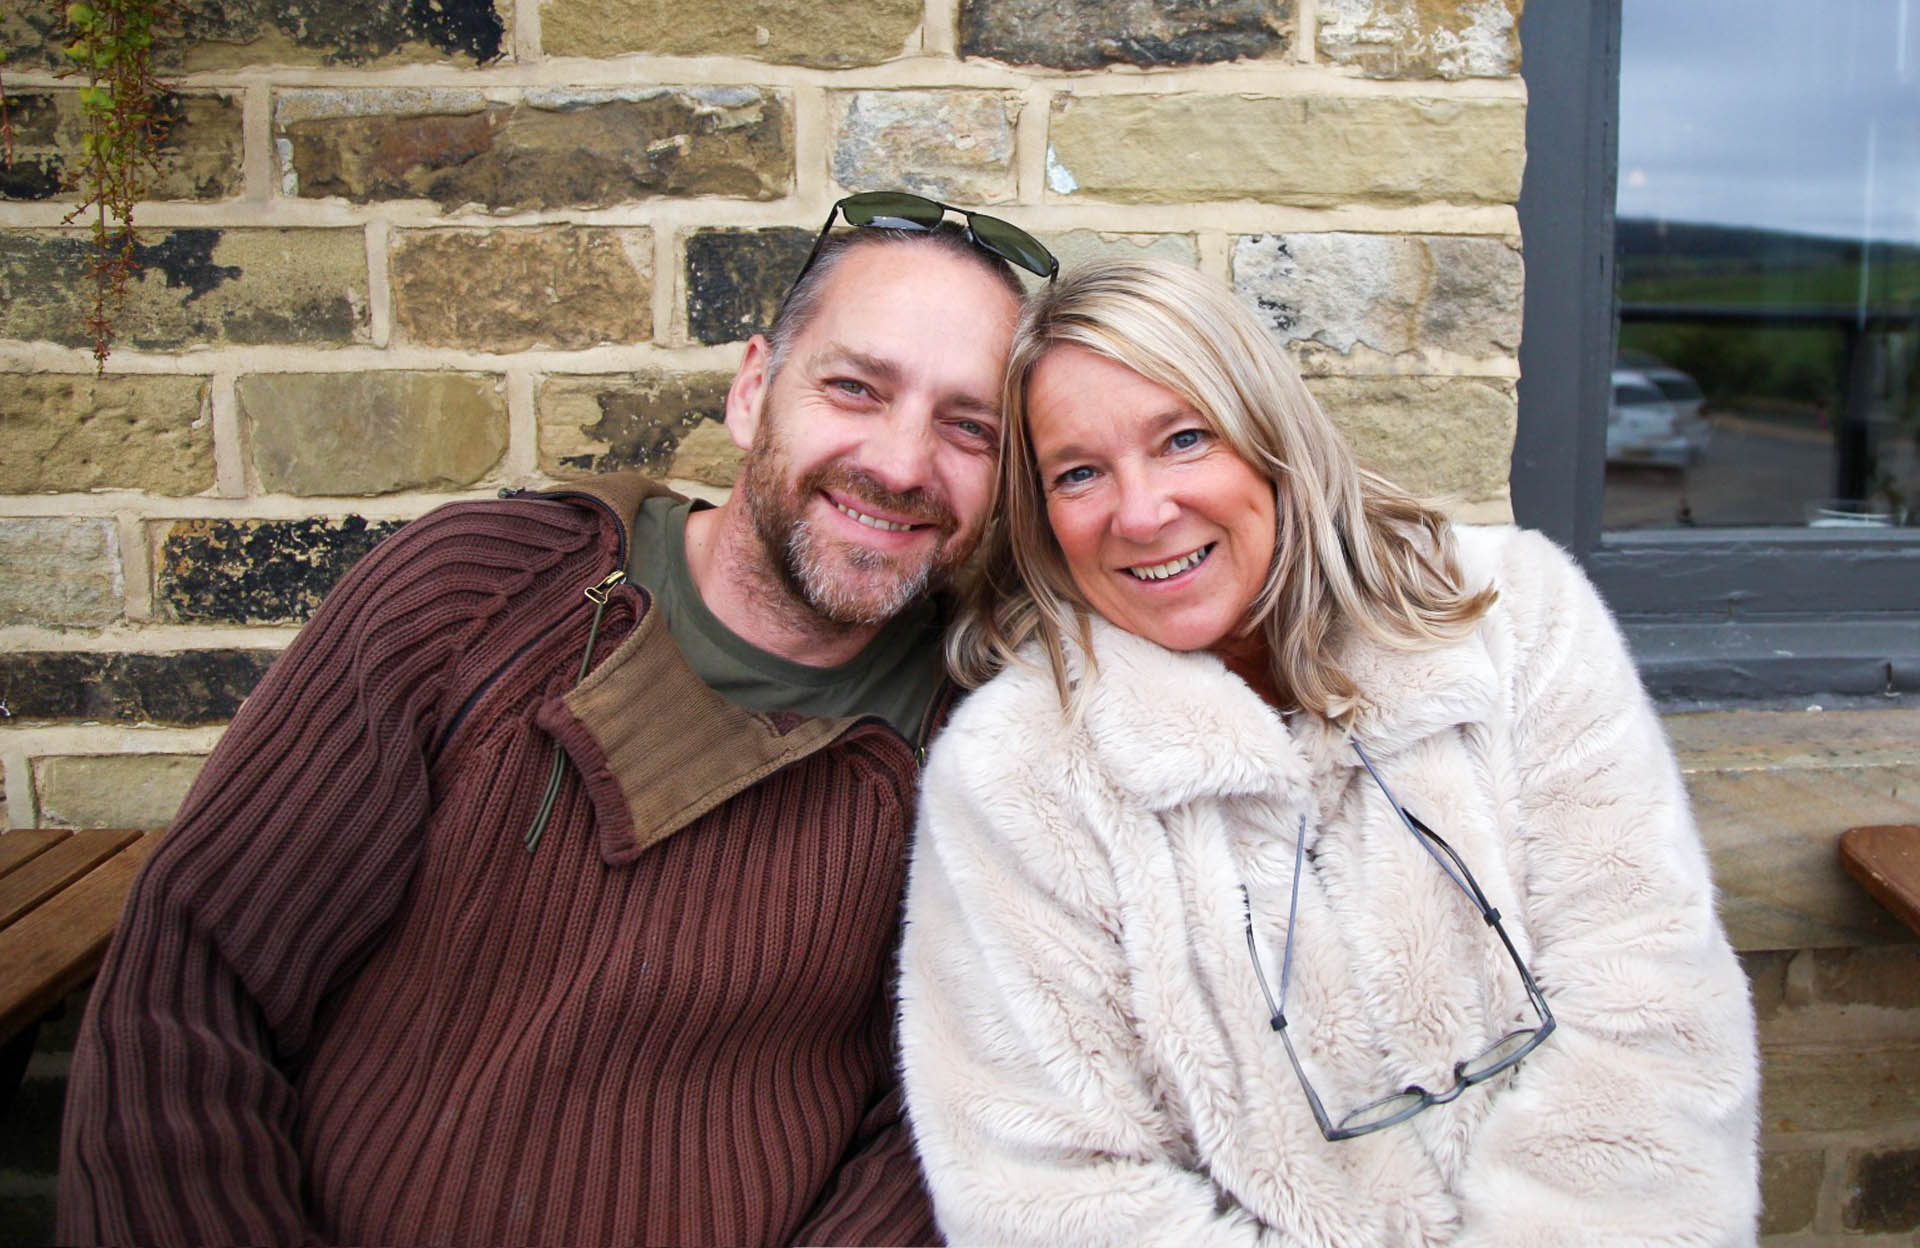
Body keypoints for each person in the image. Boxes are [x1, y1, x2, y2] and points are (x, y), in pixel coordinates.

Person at [58, 192, 1057, 1247]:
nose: (902, 464)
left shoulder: (985, 750)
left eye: (969, 429)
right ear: (755, 388)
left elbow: (938, 1142)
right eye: (856, 387)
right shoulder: (472, 599)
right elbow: (191, 991)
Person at [899, 256, 1760, 1245]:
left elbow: (1652, 1012)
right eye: (1079, 472)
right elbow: (1047, 1191)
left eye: (1184, 438)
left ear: (1270, 440)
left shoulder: (1517, 620)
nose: (1140, 513)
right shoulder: (1014, 777)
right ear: (1042, 520)